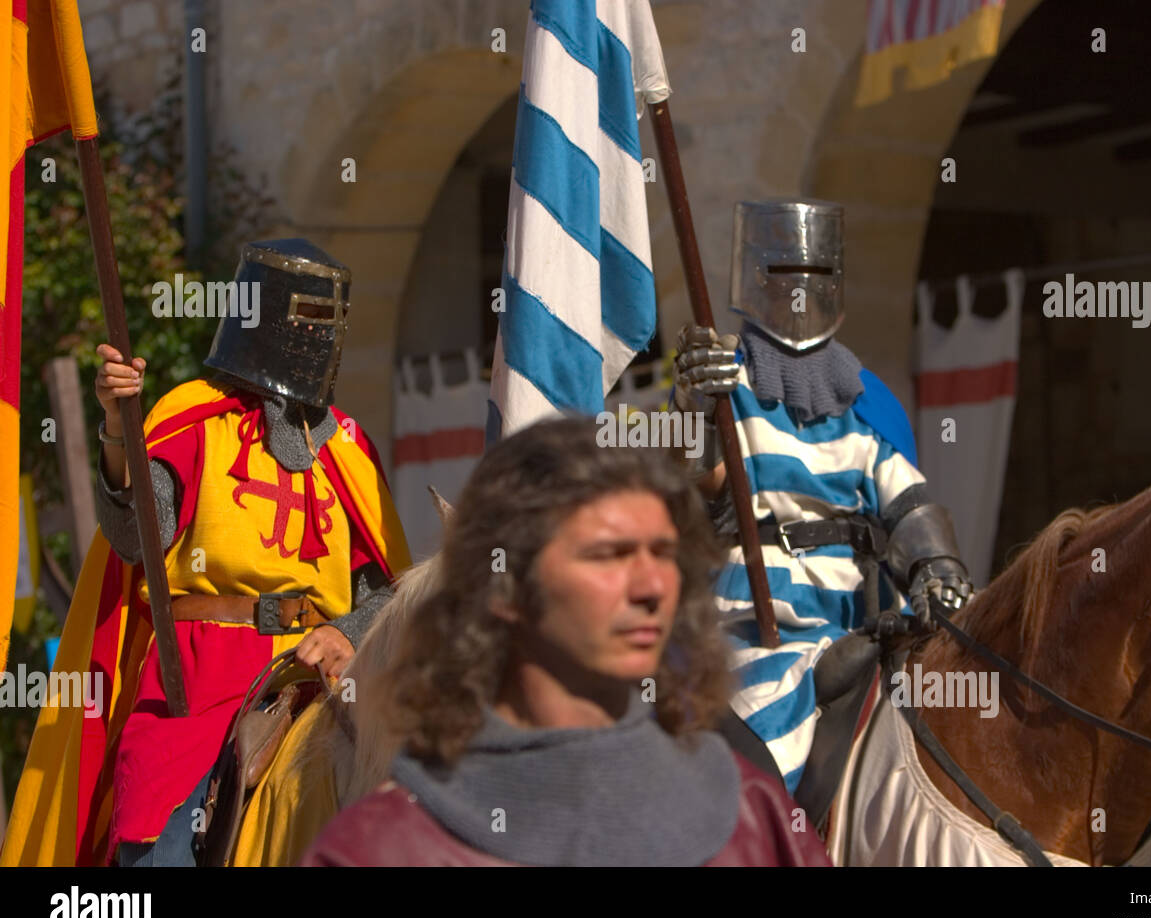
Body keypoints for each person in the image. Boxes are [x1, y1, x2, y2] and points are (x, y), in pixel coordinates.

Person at [0, 239, 411, 867]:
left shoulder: (348, 451)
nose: (314, 337)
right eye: (303, 316)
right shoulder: (194, 420)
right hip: (199, 682)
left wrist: (346, 632)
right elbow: (136, 538)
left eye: (327, 320)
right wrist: (117, 430)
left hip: (317, 683)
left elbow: (388, 591)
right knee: (163, 854)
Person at [299, 417, 830, 866]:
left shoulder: (755, 817)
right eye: (607, 554)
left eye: (663, 553)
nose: (652, 586)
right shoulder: (384, 849)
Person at [671, 199, 973, 802]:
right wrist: (693, 411)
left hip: (852, 631)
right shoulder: (721, 384)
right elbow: (686, 487)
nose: (801, 293)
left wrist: (939, 572)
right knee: (755, 761)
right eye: (784, 277)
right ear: (756, 281)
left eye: (816, 277)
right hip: (748, 636)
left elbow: (906, 504)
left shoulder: (864, 400)